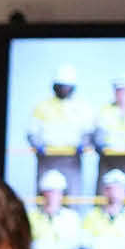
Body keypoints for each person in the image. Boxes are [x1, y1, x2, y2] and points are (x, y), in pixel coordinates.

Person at [28, 62, 92, 196]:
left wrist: (83, 145)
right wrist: (38, 146)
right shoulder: (42, 106)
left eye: (67, 86)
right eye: (61, 86)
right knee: (45, 197)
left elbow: (88, 133)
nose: (64, 89)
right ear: (54, 86)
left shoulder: (81, 107)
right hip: (47, 158)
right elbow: (32, 132)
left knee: (72, 197)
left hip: (72, 160)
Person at [89, 72, 125, 197]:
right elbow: (99, 133)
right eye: (120, 91)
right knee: (104, 194)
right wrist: (99, 143)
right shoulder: (105, 111)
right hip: (108, 158)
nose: (123, 95)